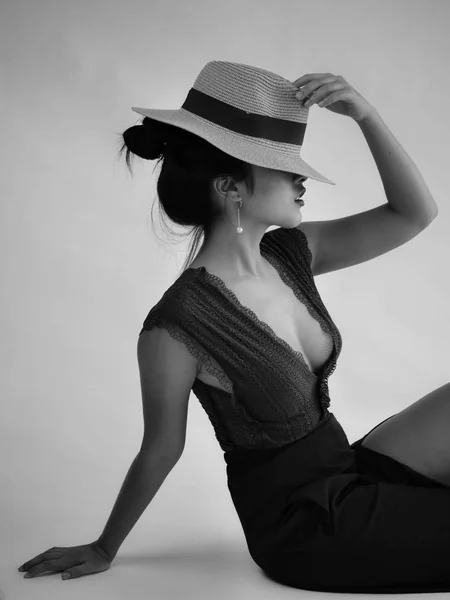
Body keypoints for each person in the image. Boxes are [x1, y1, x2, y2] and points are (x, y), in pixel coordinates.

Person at [18, 61, 450, 593]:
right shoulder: (176, 325)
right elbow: (161, 447)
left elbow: (414, 214)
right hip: (305, 525)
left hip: (345, 466)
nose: (300, 180)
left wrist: (366, 116)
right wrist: (105, 547)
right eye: (283, 168)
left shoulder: (291, 253)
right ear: (230, 187)